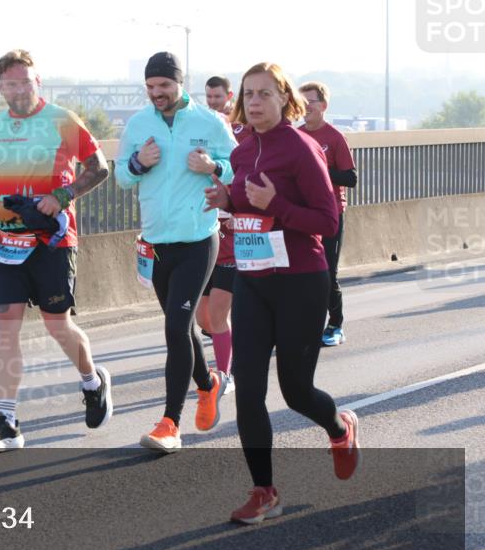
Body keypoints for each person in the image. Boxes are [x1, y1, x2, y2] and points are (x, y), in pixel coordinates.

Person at [204, 62, 360, 525]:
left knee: (296, 392)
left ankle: (340, 427)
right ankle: (264, 492)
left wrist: (278, 205)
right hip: (253, 280)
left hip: (300, 282)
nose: (254, 102)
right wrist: (228, 201)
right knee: (249, 390)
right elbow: (245, 203)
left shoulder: (302, 148)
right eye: (248, 94)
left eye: (264, 94)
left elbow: (326, 222)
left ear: (284, 99)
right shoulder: (242, 152)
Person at [0, 49, 112, 451]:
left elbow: (99, 167)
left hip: (52, 240)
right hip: (8, 241)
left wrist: (62, 196)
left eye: (25, 82)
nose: (19, 90)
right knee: (5, 325)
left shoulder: (61, 119)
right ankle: (7, 420)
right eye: (10, 84)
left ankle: (92, 382)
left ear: (38, 82)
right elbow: (2, 180)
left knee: (56, 324)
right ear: (1, 87)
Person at [115, 52, 236, 454]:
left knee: (175, 328)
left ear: (181, 83)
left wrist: (213, 166)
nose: (157, 93)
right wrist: (138, 162)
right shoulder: (138, 124)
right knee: (180, 326)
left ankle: (170, 423)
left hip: (199, 239)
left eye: (164, 85)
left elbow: (239, 166)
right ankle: (208, 383)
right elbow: (121, 176)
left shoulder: (210, 122)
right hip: (156, 243)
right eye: (151, 87)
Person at [298, 81, 358, 347]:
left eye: (310, 102)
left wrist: (320, 170)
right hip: (302, 214)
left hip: (330, 213)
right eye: (301, 102)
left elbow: (351, 178)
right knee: (300, 272)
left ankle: (335, 325)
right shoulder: (296, 136)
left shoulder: (334, 137)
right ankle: (305, 325)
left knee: (327, 272)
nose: (305, 107)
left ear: (323, 105)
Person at [195, 75, 241, 385]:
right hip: (202, 230)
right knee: (203, 317)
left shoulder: (242, 131)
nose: (212, 102)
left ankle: (225, 375)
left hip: (230, 232)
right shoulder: (199, 132)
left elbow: (246, 172)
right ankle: (232, 346)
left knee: (220, 312)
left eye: (217, 97)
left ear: (229, 96)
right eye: (208, 97)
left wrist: (239, 209)